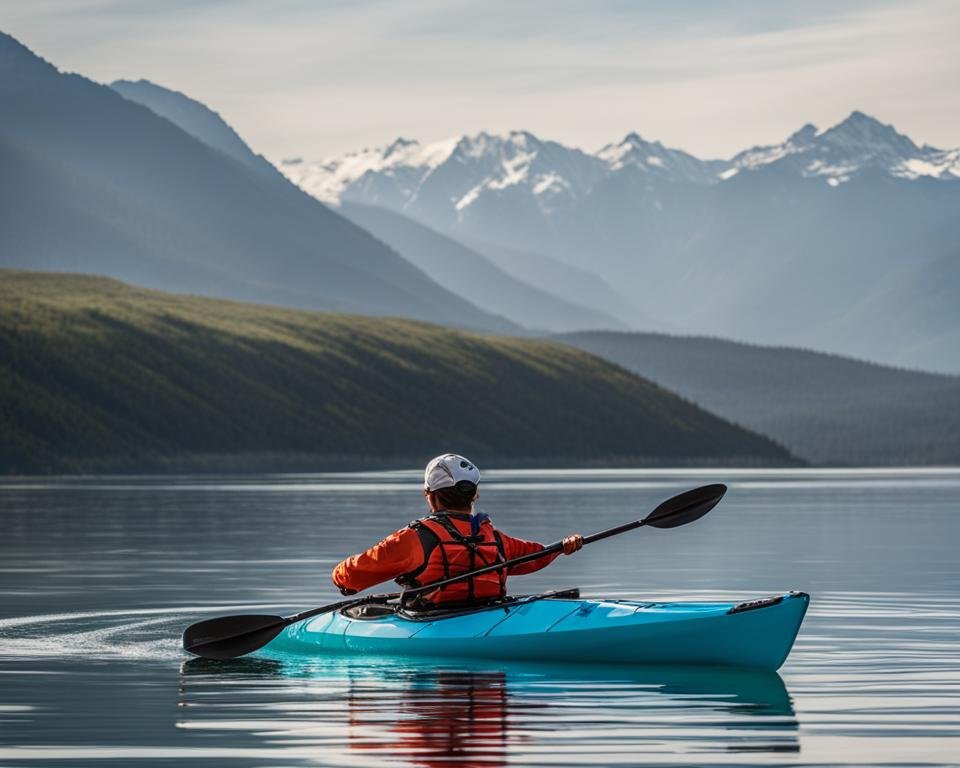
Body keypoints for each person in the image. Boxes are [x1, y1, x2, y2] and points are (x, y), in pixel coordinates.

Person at [332, 454, 583, 607]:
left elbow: (352, 576)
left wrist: (339, 577)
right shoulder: (493, 538)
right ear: (474, 494)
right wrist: (562, 548)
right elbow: (535, 556)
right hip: (487, 612)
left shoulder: (415, 539)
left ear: (430, 496)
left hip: (434, 622)